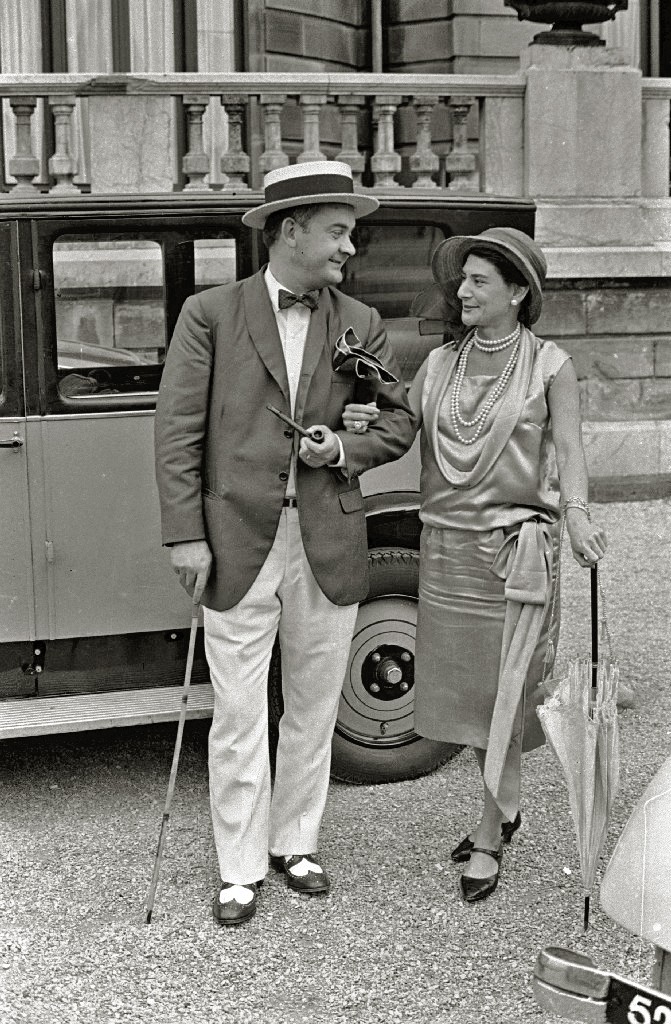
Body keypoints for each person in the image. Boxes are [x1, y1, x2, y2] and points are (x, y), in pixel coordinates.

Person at [154, 161, 416, 926]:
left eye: (350, 233)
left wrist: (343, 448)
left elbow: (397, 419)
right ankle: (238, 868)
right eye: (337, 231)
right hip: (236, 542)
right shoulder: (210, 314)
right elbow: (177, 435)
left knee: (311, 703)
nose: (349, 247)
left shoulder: (358, 322)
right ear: (290, 231)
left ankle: (295, 843)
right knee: (239, 710)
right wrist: (185, 536)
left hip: (327, 539)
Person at [343, 227, 607, 903]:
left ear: (517, 292)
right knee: (465, 702)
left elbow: (571, 452)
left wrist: (577, 513)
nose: (461, 290)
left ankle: (490, 832)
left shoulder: (550, 366)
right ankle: (506, 807)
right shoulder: (439, 365)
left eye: (478, 280)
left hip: (514, 556)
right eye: (461, 279)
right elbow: (397, 426)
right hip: (446, 554)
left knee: (505, 698)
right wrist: (354, 425)